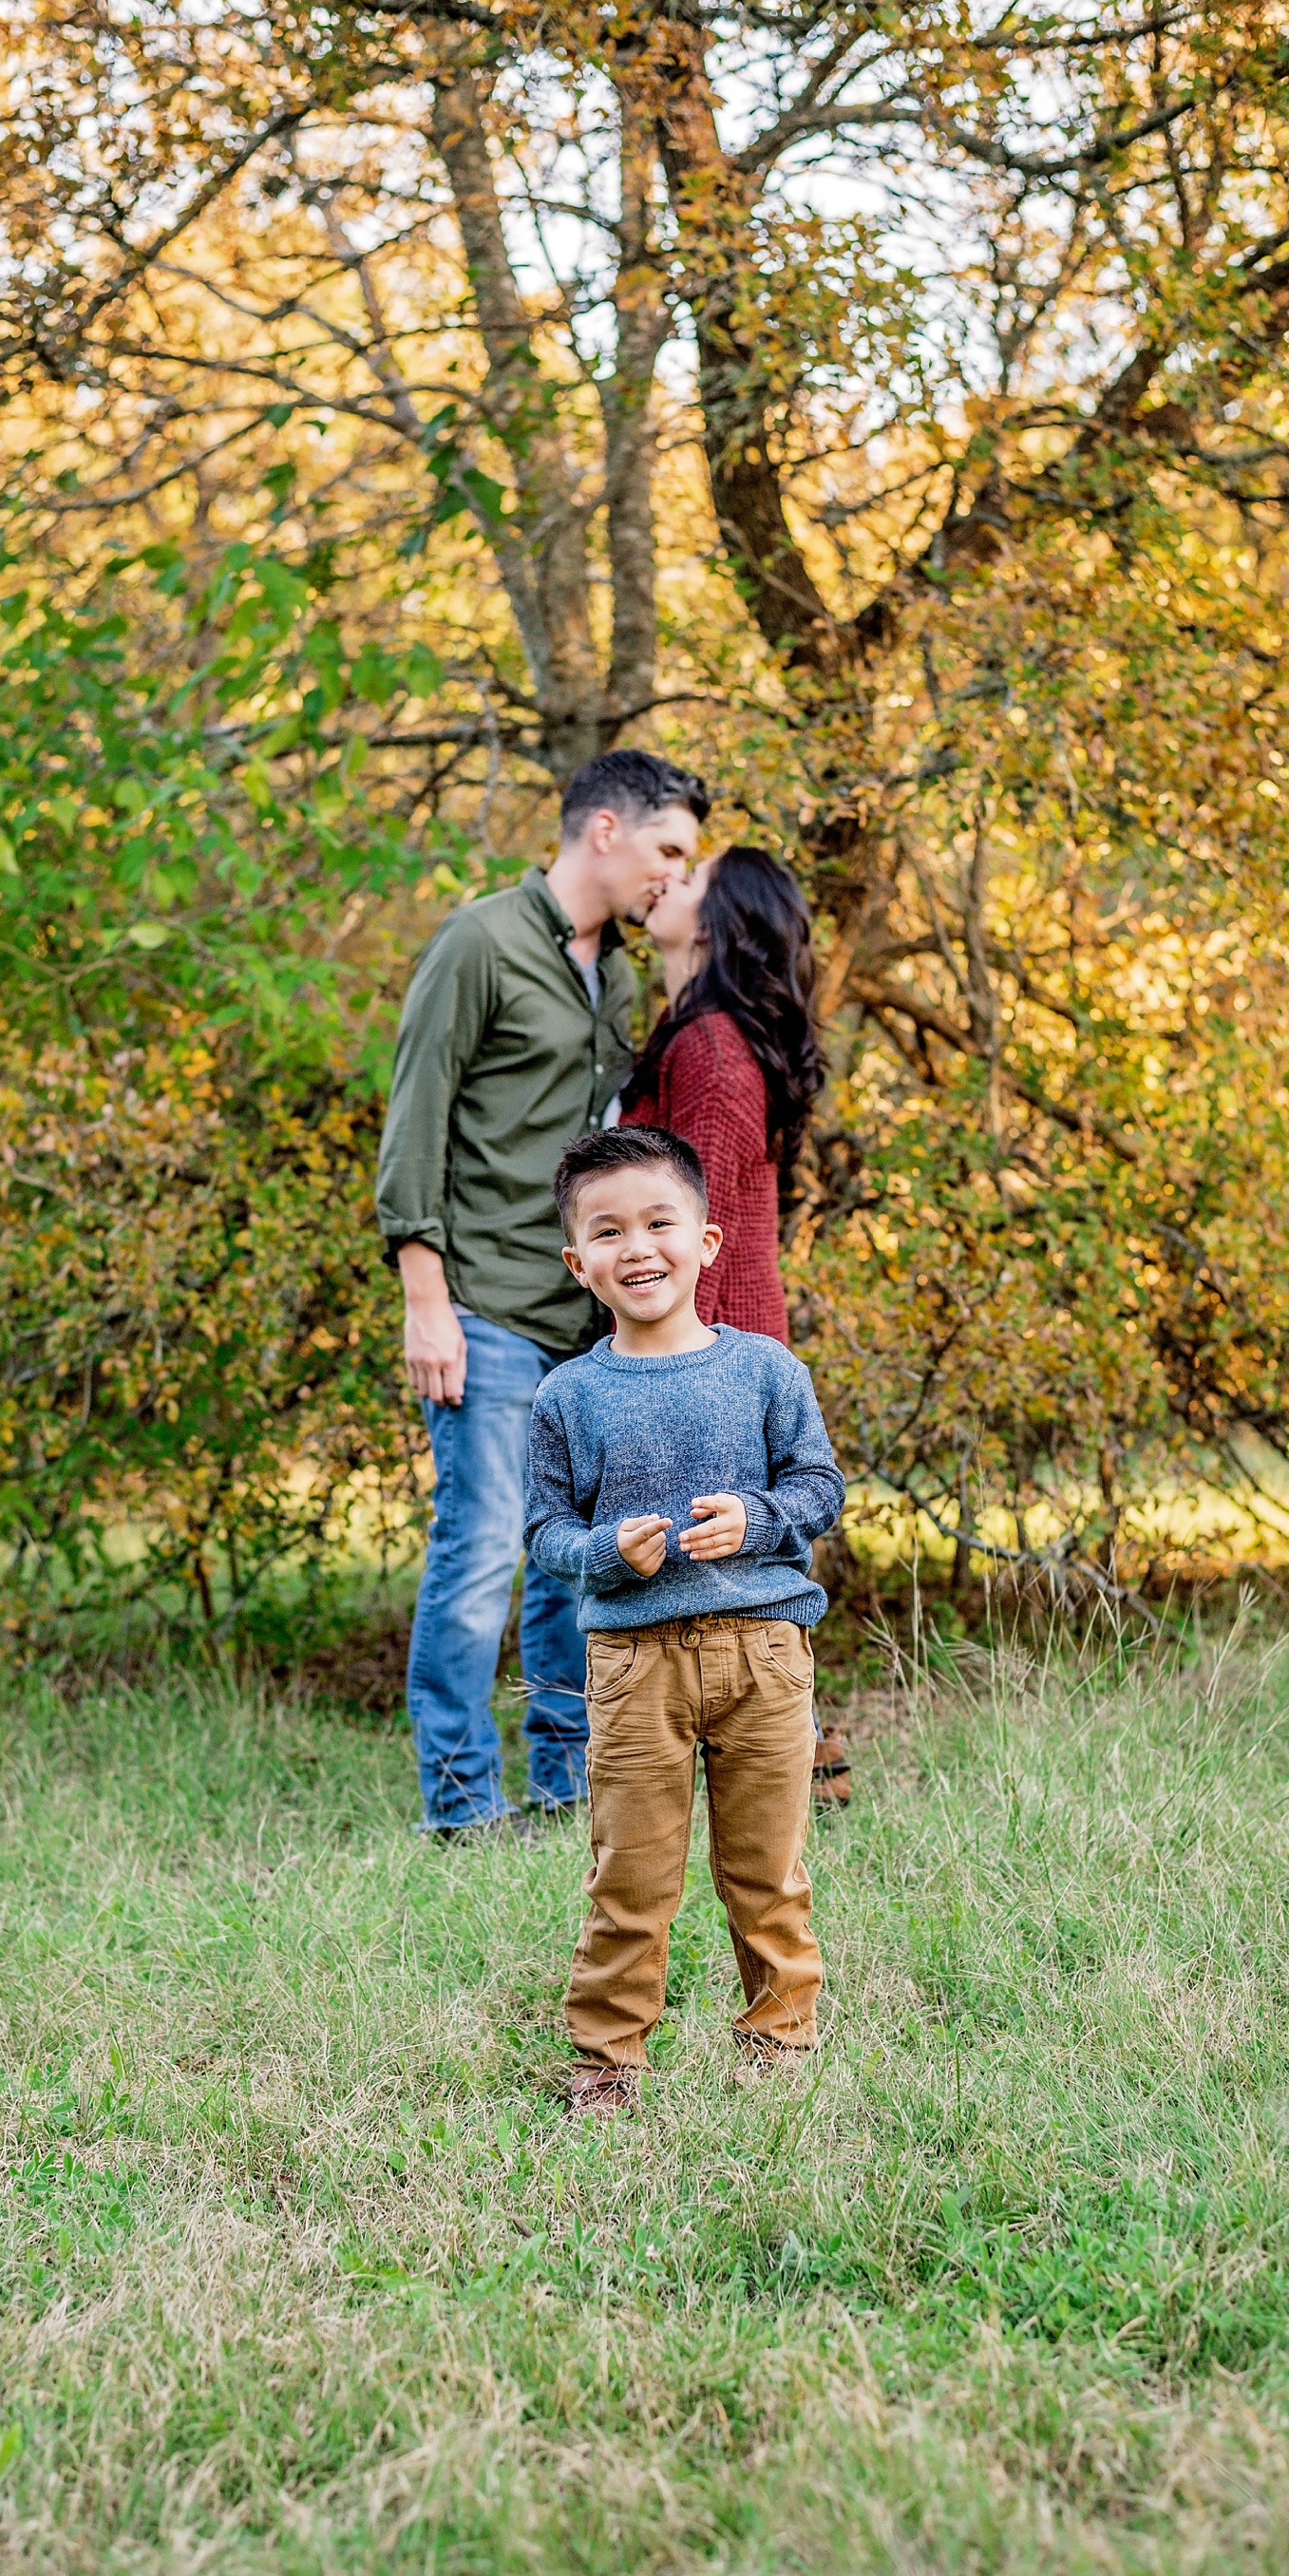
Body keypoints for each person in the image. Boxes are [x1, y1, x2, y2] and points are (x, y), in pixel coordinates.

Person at [375, 749, 710, 1834]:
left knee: (574, 1559)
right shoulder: (479, 943)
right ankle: (463, 1804)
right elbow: (416, 1118)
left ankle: (566, 1784)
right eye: (666, 849)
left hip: (582, 1316)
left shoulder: (616, 975)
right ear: (604, 829)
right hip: (484, 1304)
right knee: (478, 1551)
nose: (673, 874)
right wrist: (424, 1296)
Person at [523, 1124, 846, 2117]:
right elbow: (544, 1531)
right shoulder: (567, 1396)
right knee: (630, 1875)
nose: (638, 1248)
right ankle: (608, 2061)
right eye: (608, 1232)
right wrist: (602, 1552)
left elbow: (820, 1487)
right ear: (578, 1263)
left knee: (765, 1871)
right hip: (633, 1665)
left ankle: (779, 2042)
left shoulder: (765, 1371)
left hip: (763, 1654)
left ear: (706, 1242)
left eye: (659, 1223)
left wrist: (759, 1520)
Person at [620, 845, 852, 1805]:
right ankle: (794, 1760)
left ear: (717, 921)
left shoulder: (711, 1050)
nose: (666, 877)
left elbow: (694, 1232)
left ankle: (793, 1762)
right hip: (722, 1342)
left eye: (690, 874)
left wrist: (668, 1369)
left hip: (711, 1348)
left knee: (726, 1581)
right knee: (724, 1573)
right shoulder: (694, 1031)